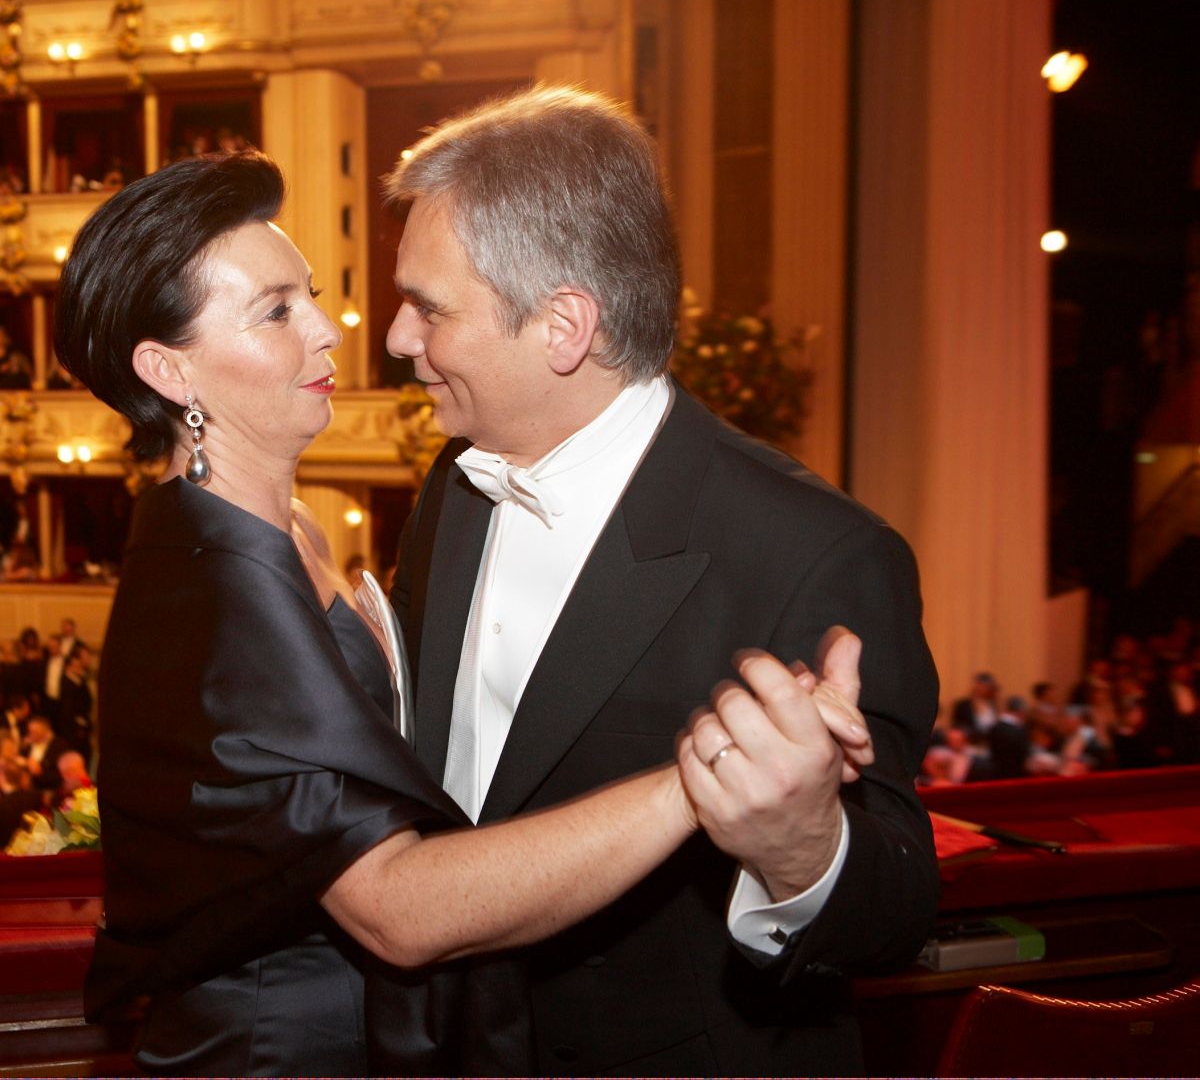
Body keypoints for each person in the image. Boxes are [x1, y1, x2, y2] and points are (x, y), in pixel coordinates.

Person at [54, 152, 872, 1074]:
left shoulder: (293, 528)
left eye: (311, 294)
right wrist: (705, 776)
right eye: (277, 311)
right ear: (169, 370)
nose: (334, 329)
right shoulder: (213, 583)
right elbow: (396, 909)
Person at [381, 85, 940, 1073]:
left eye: (427, 307)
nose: (395, 338)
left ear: (562, 327)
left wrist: (801, 848)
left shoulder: (817, 553)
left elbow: (891, 904)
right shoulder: (452, 488)